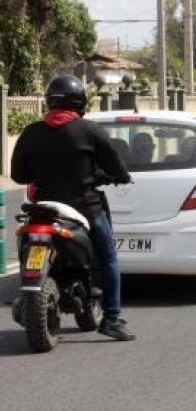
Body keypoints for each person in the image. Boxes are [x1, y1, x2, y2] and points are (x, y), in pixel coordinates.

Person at [11, 75, 135, 341]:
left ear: (49, 101)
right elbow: (117, 168)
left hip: (43, 210)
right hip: (85, 208)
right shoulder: (90, 131)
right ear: (80, 103)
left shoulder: (31, 132)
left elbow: (18, 175)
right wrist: (118, 176)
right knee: (109, 257)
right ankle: (112, 318)